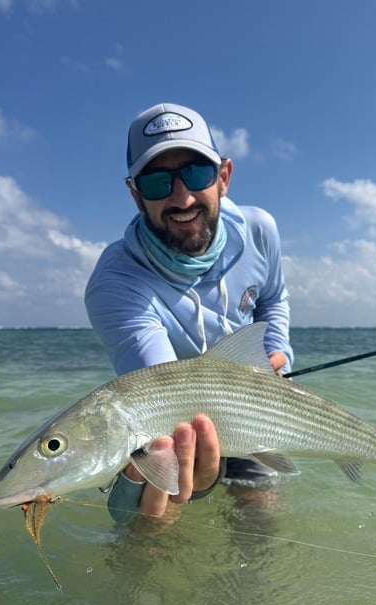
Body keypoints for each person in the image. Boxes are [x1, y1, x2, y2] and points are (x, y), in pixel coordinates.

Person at [85, 102, 293, 522]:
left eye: (196, 174)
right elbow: (164, 398)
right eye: (157, 181)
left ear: (224, 177)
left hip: (255, 406)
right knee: (156, 523)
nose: (181, 197)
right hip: (177, 412)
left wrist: (279, 354)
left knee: (261, 517)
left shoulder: (259, 231)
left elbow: (273, 299)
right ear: (135, 194)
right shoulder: (116, 282)